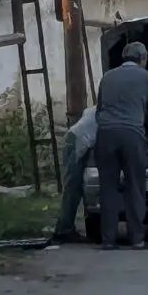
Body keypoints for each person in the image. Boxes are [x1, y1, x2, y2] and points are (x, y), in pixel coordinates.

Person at [95, 40, 148, 250]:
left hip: (105, 134)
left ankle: (108, 240)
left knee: (108, 188)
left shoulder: (107, 78)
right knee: (134, 187)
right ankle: (137, 239)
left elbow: (98, 111)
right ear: (143, 58)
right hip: (133, 134)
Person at [51, 101, 98, 243]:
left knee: (73, 186)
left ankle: (64, 227)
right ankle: (64, 231)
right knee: (73, 187)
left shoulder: (96, 109)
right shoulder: (108, 113)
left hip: (73, 137)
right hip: (77, 141)